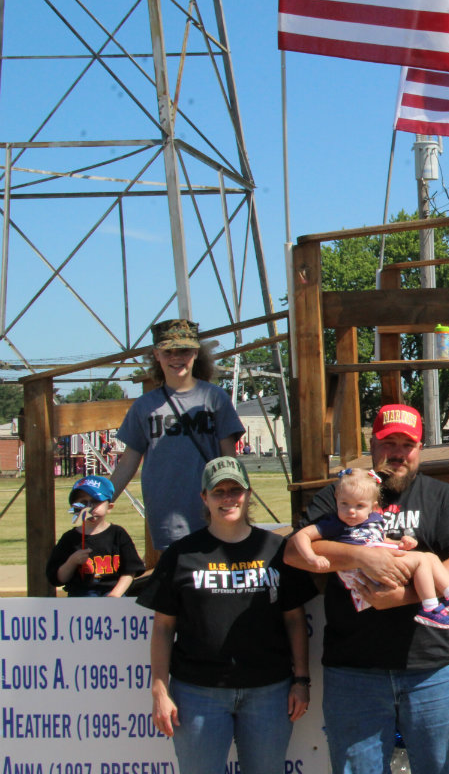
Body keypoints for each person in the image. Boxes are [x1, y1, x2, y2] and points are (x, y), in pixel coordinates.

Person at [284, 404, 449, 774]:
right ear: (372, 445)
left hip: (433, 670)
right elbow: (295, 553)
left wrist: (403, 596)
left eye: (406, 444)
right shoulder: (343, 494)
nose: (397, 452)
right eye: (387, 442)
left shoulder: (442, 496)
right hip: (354, 672)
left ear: (420, 448)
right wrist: (362, 558)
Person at [137, 456, 316, 774]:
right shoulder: (182, 554)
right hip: (197, 692)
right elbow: (164, 627)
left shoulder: (276, 549)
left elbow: (294, 618)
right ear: (203, 497)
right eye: (218, 492)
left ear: (248, 494)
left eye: (235, 489)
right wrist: (159, 690)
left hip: (269, 690)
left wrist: (301, 679)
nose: (228, 498)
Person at [111, 319, 245, 550]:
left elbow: (230, 460)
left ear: (195, 352)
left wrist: (237, 504)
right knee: (176, 579)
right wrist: (103, 498)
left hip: (213, 510)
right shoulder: (144, 406)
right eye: (168, 352)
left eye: (183, 351)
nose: (176, 358)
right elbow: (128, 462)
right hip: (167, 513)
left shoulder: (215, 398)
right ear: (156, 355)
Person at [290, 467, 449, 626]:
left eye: (359, 506)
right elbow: (300, 538)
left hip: (383, 571)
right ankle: (431, 606)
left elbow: (381, 540)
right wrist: (312, 557)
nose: (350, 511)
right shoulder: (337, 523)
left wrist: (400, 544)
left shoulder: (373, 521)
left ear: (373, 508)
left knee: (428, 558)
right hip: (361, 578)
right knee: (423, 560)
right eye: (344, 504)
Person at [46, 475, 144, 597]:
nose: (89, 508)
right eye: (83, 502)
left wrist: (115, 595)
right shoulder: (69, 539)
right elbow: (58, 578)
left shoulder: (118, 534)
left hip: (113, 594)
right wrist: (72, 561)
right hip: (80, 597)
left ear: (109, 507)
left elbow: (130, 571)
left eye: (96, 501)